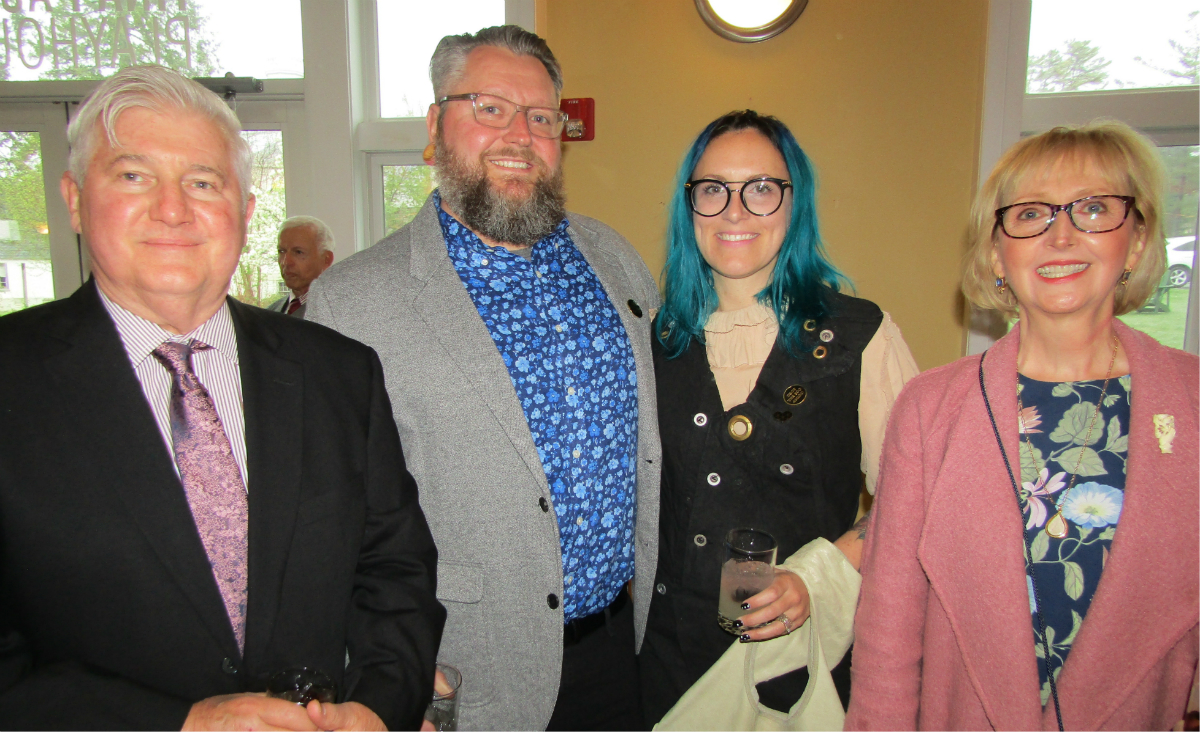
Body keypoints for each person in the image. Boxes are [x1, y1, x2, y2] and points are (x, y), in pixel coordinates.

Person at [0, 66, 445, 731]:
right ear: (72, 198)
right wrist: (181, 723)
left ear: (244, 211)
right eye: (133, 176)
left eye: (203, 182)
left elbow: (395, 571)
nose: (173, 208)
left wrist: (379, 707)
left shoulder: (337, 373)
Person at [307, 26, 660, 731]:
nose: (519, 135)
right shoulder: (352, 302)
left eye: (540, 116)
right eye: (489, 109)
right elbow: (332, 524)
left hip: (623, 650)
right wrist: (380, 677)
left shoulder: (615, 258)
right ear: (435, 127)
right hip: (464, 671)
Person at [845, 120, 1198, 730]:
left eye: (1093, 209)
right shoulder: (931, 410)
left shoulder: (1191, 402)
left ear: (1136, 243)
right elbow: (888, 639)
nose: (1061, 235)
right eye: (1031, 214)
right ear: (996, 253)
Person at [639, 109, 919, 724]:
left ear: (796, 205)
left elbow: (920, 501)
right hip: (666, 666)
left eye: (761, 189)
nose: (734, 211)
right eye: (712, 190)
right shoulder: (650, 341)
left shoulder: (859, 336)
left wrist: (817, 576)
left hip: (796, 665)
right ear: (689, 208)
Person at [268, 215, 335, 317]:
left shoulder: (339, 311)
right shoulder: (270, 313)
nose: (286, 262)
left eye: (298, 252)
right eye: (281, 251)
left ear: (326, 259)